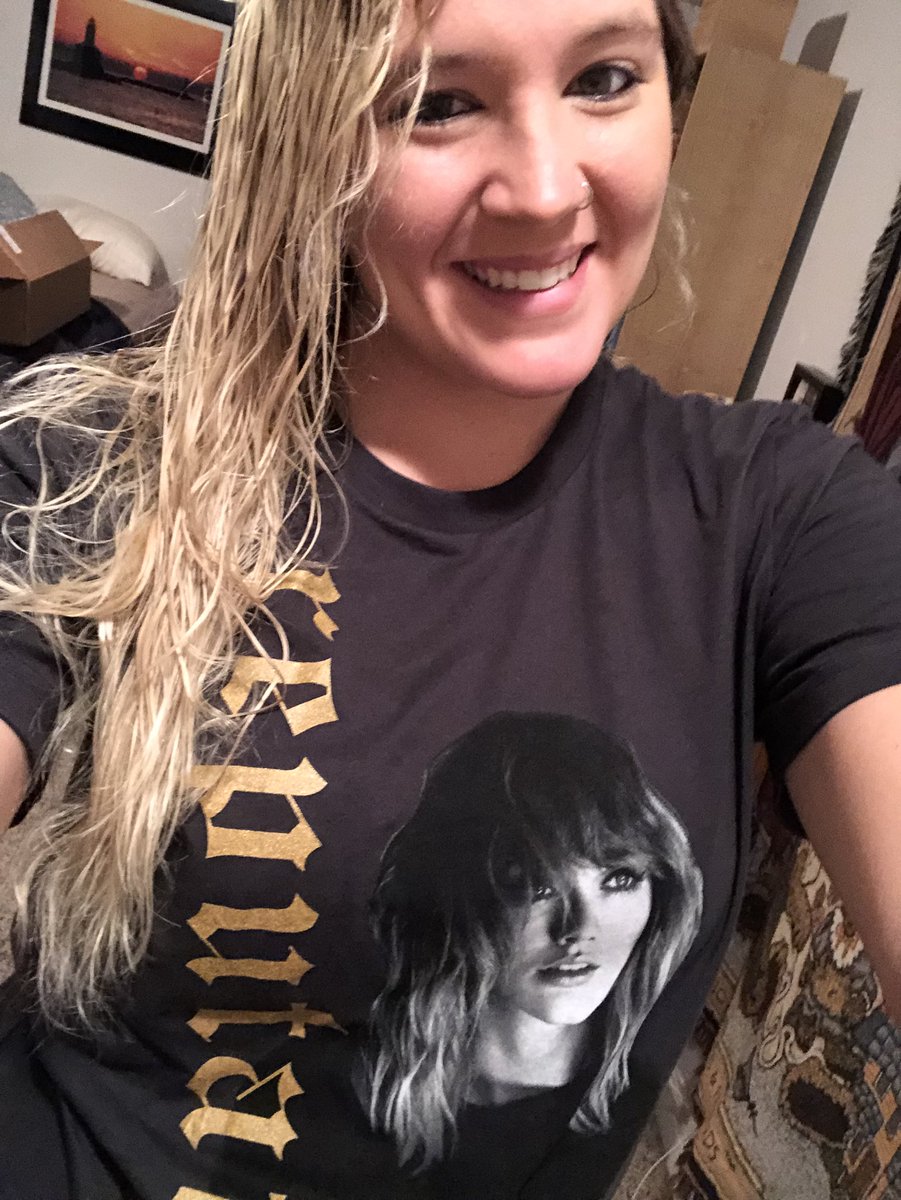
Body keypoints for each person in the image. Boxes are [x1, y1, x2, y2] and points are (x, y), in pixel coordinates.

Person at [0, 0, 899, 1198]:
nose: (544, 190)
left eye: (603, 79)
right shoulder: (98, 457)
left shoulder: (778, 516)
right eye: (438, 103)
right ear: (311, 137)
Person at [365, 713, 704, 1174]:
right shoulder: (344, 1079)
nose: (578, 929)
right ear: (451, 894)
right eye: (536, 885)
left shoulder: (671, 1116)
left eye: (620, 879)